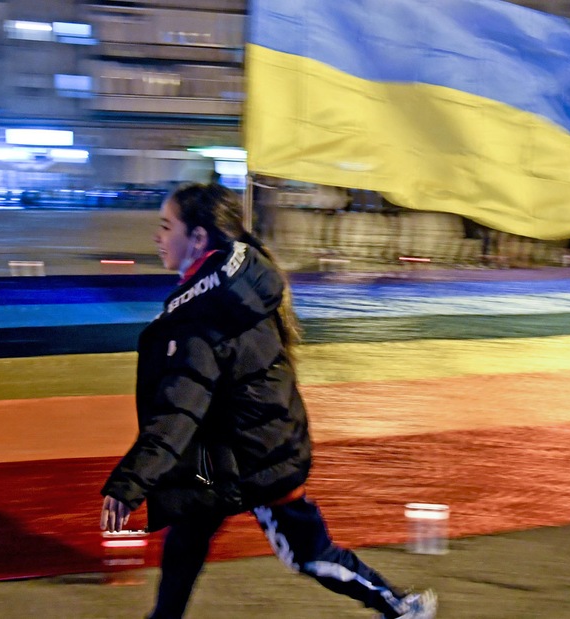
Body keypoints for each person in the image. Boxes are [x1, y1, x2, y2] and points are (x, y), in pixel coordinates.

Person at [100, 183, 437, 619]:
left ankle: (400, 606)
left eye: (167, 226)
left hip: (258, 459)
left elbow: (178, 410)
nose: (157, 237)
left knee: (307, 554)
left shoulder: (202, 316)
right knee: (187, 531)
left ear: (199, 238)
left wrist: (130, 482)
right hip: (232, 450)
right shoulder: (238, 285)